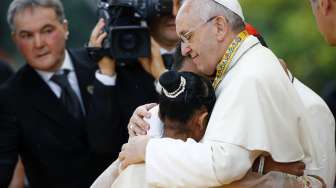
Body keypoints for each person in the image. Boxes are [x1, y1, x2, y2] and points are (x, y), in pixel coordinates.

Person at [118, 0, 322, 187]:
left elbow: (223, 164)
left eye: (187, 37)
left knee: (137, 175)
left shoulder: (249, 74)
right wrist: (152, 119)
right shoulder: (239, 67)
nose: (185, 50)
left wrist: (149, 150)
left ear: (219, 27)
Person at [0, 0, 120, 187]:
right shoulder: (10, 97)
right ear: (15, 40)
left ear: (65, 28)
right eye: (27, 35)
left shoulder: (102, 63)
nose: (38, 43)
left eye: (47, 30)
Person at [85, 0, 184, 159]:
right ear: (144, 9)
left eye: (179, 4)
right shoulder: (120, 66)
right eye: (162, 6)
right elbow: (102, 144)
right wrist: (106, 72)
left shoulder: (200, 58)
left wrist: (162, 76)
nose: (173, 13)